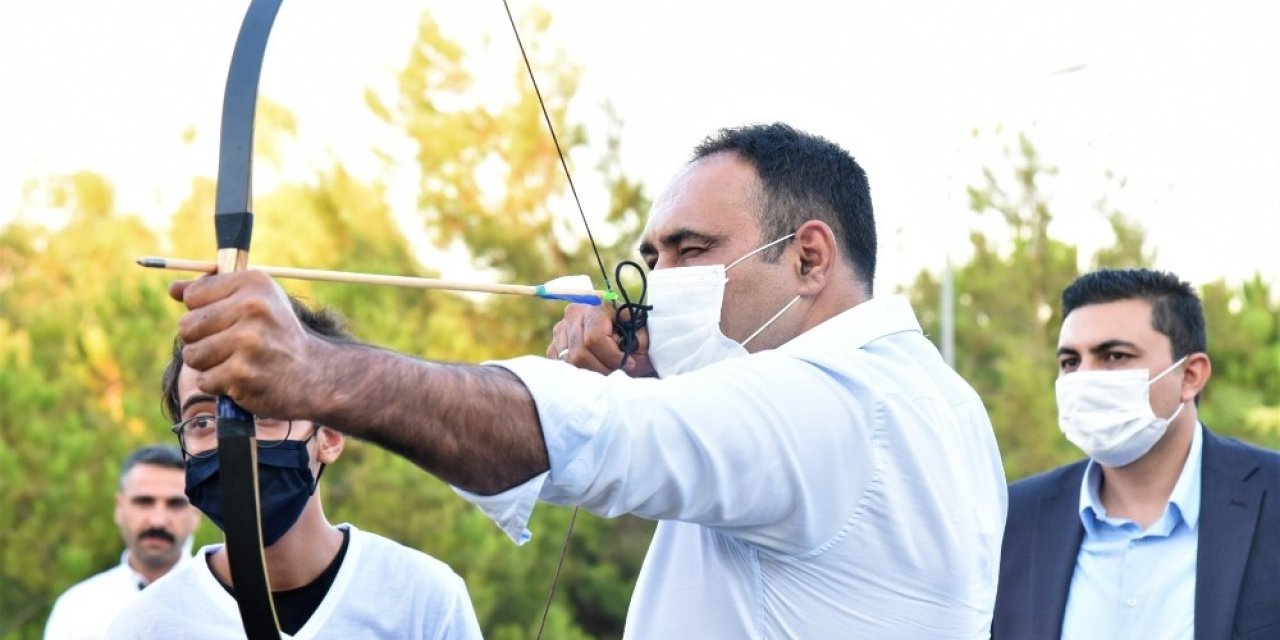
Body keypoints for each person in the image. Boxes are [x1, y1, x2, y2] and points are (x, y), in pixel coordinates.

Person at [169, 123, 1007, 638]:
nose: (654, 279)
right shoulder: (930, 396)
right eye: (650, 259)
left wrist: (316, 371)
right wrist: (632, 376)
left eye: (690, 250)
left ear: (809, 257)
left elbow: (586, 439)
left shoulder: (835, 403)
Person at [108, 299, 482, 639]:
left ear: (330, 435)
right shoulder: (146, 627)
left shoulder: (422, 600)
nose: (234, 443)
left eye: (266, 411)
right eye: (203, 422)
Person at [993, 268, 1280, 639]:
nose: (1084, 379)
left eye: (1114, 356)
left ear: (1191, 375)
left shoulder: (1272, 498)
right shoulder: (1015, 519)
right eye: (1070, 362)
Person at [44, 444, 201, 640]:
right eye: (144, 502)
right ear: (119, 508)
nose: (158, 520)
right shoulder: (77, 609)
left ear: (197, 513)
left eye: (175, 504)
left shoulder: (230, 605)